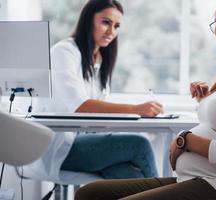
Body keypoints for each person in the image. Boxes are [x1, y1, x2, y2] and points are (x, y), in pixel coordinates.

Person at [74, 0, 216, 199]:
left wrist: (187, 141)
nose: (215, 34)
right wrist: (205, 102)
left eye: (215, 24)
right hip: (199, 179)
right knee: (89, 194)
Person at [21, 0, 161, 183]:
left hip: (84, 141)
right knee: (139, 144)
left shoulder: (99, 60)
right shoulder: (64, 52)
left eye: (117, 26)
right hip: (60, 147)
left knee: (128, 175)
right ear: (88, 20)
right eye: (106, 22)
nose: (111, 32)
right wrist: (135, 109)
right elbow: (81, 106)